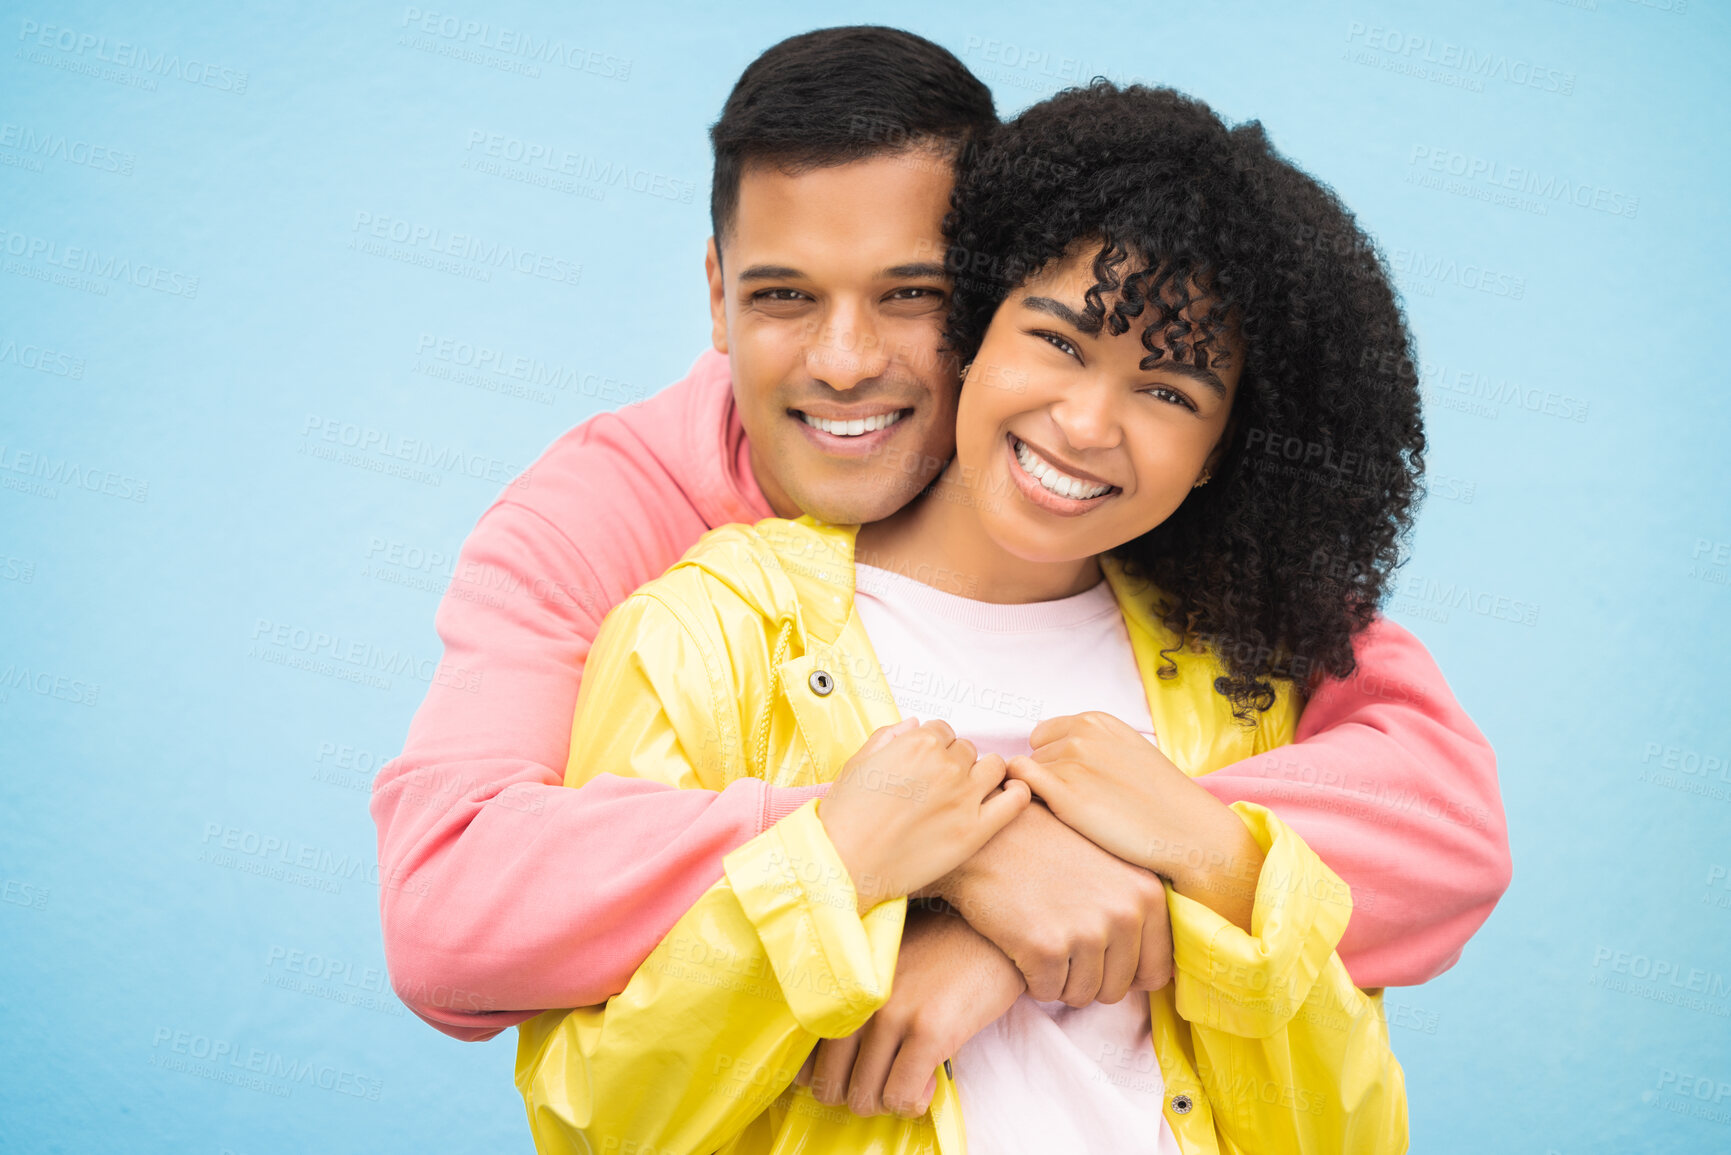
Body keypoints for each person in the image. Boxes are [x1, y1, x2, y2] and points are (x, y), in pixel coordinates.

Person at [369, 26, 1509, 1066]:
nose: (848, 359)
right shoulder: (601, 515)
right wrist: (906, 851)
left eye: (908, 292)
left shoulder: (1103, 497)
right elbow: (450, 912)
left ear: (991, 287)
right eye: (783, 297)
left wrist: (1089, 884)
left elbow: (1443, 826)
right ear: (717, 299)